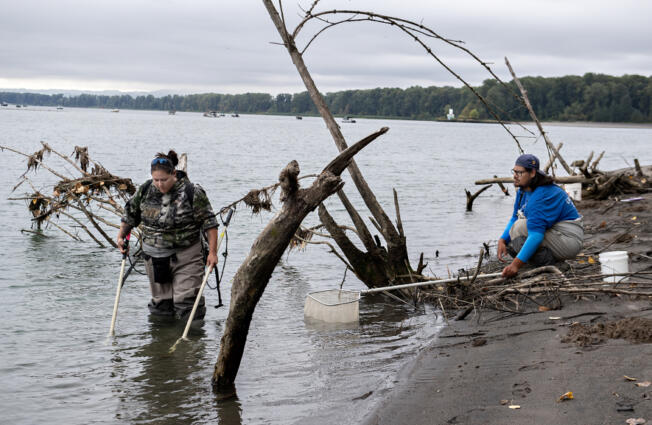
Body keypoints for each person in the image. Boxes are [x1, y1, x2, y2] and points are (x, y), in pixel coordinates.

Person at [117, 150, 219, 320]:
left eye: (164, 180)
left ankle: (191, 341)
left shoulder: (191, 192)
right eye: (156, 180)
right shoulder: (145, 190)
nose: (160, 184)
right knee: (161, 305)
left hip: (187, 255)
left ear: (174, 174)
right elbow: (130, 215)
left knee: (187, 304)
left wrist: (212, 253)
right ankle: (162, 341)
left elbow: (210, 223)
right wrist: (121, 237)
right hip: (154, 256)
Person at [497, 154, 584, 278]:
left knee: (519, 228)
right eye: (514, 171)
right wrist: (502, 240)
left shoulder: (541, 196)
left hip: (570, 239)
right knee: (513, 236)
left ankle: (553, 265)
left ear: (532, 173)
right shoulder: (523, 189)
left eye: (520, 173)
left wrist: (515, 265)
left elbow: (536, 236)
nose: (515, 176)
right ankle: (538, 263)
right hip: (557, 233)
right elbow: (515, 217)